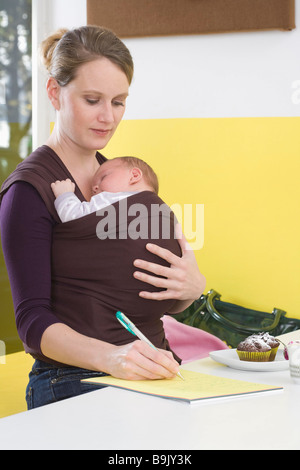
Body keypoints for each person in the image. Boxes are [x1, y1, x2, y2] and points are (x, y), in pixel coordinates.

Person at [0, 26, 205, 409]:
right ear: (54, 93)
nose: (108, 118)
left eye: (119, 101)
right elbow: (31, 323)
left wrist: (189, 290)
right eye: (93, 100)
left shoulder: (118, 180)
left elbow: (144, 287)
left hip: (154, 366)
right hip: (75, 377)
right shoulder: (27, 192)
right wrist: (111, 358)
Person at [51, 156, 159, 222]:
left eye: (103, 177)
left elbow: (74, 217)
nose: (94, 188)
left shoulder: (111, 199)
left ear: (134, 175)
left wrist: (65, 194)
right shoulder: (159, 209)